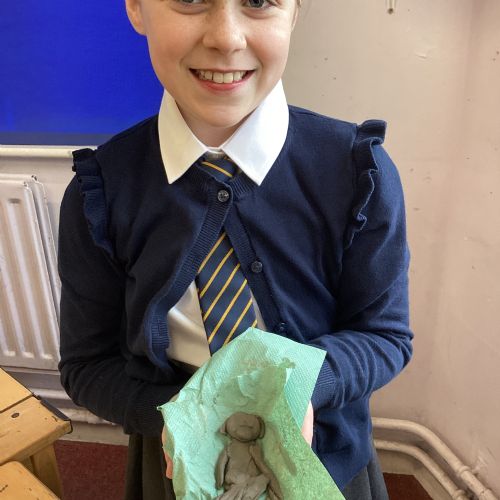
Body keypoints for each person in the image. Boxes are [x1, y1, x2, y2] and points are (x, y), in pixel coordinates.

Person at [57, 0, 413, 499]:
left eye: (259, 1)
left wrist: (301, 385)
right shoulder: (101, 193)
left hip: (326, 457)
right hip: (175, 459)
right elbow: (86, 366)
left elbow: (385, 336)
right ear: (136, 8)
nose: (226, 38)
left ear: (295, 11)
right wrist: (177, 417)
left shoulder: (357, 174)